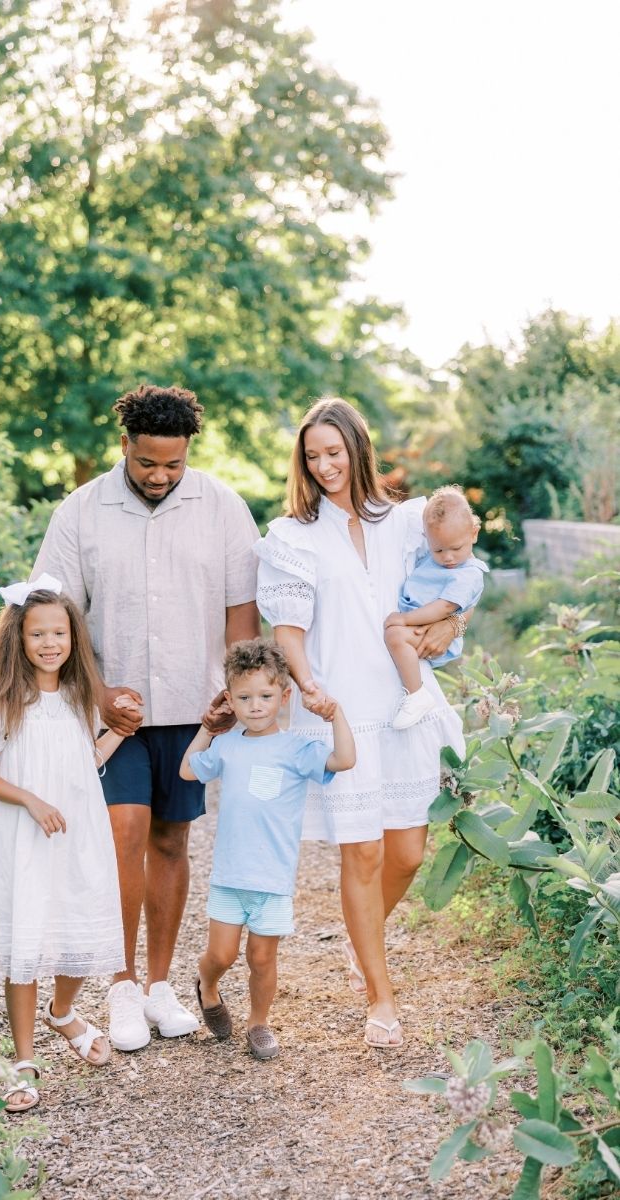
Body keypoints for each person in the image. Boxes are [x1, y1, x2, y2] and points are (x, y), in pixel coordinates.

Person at [32, 384, 261, 1051]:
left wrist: (232, 690)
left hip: (193, 709)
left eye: (173, 465)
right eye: (147, 464)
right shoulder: (80, 513)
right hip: (113, 715)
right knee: (122, 833)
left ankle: (160, 986)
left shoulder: (222, 508)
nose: (161, 477)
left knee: (171, 840)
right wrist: (98, 693)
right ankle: (122, 985)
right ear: (125, 445)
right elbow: (54, 616)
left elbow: (240, 613)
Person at [254, 397, 466, 1047]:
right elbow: (287, 627)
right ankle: (381, 1000)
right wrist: (304, 681)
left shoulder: (404, 520)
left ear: (357, 448)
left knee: (407, 851)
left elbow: (452, 576)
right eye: (312, 456)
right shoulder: (291, 535)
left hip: (404, 706)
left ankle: (360, 938)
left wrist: (451, 621)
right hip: (341, 708)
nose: (323, 466)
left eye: (334, 453)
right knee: (364, 851)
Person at [0, 576, 131, 1113]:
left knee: (78, 926)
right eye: (38, 635)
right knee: (25, 943)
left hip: (76, 832)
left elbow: (85, 763)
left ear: (73, 638)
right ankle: (23, 1060)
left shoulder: (79, 697)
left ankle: (64, 1011)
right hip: (22, 835)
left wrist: (122, 730)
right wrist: (30, 799)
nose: (50, 643)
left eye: (60, 633)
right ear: (18, 640)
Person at [180, 640, 355, 1060]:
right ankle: (207, 985)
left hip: (273, 878)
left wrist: (337, 716)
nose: (255, 706)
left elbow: (345, 760)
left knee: (261, 958)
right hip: (230, 876)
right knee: (220, 955)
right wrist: (208, 726)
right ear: (230, 699)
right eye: (243, 698)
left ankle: (258, 1022)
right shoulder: (226, 745)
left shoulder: (297, 750)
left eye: (265, 696)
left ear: (284, 696)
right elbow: (188, 770)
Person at [384, 486, 487, 729]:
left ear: (474, 533)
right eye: (438, 550)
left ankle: (416, 695)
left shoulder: (468, 574)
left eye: (456, 548)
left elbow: (445, 608)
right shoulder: (436, 556)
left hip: (431, 627)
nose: (448, 557)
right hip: (421, 621)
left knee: (395, 635)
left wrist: (405, 619)